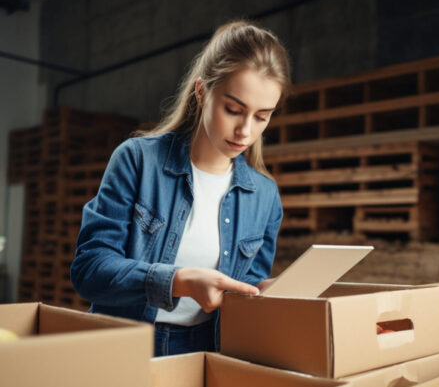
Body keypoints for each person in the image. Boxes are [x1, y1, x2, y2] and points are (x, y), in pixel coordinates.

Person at [70, 20, 291, 356]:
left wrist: (263, 292)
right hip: (126, 345)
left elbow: (243, 293)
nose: (245, 130)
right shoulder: (138, 161)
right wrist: (179, 281)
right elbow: (90, 270)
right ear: (202, 92)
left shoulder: (265, 197)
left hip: (208, 351)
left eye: (262, 116)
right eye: (233, 109)